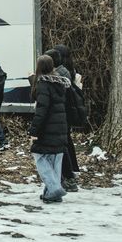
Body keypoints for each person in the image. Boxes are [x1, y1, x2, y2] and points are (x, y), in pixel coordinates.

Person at [28, 54, 70, 203]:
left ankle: (54, 188)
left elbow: (41, 110)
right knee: (55, 160)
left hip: (47, 129)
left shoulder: (43, 85)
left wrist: (34, 131)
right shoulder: (60, 83)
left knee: (40, 157)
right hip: (60, 127)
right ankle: (51, 193)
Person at [55, 44, 82, 192]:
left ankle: (68, 172)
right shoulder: (71, 71)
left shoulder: (61, 72)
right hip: (70, 110)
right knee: (68, 140)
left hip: (62, 111)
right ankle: (73, 168)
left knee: (64, 142)